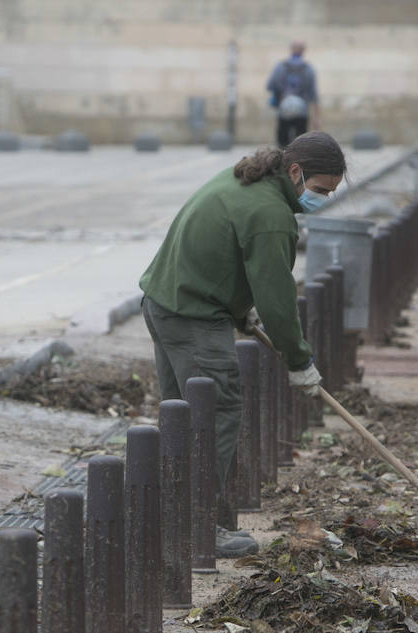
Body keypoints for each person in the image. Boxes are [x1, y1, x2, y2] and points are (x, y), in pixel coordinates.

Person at [138, 132, 344, 557]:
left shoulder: (244, 181)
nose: (322, 199)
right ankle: (197, 531)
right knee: (215, 413)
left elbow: (222, 254)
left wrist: (236, 309)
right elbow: (277, 299)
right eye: (320, 190)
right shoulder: (271, 214)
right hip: (193, 315)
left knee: (182, 420)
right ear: (295, 172)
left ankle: (173, 524)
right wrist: (299, 360)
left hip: (165, 303)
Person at [266, 41, 321, 148]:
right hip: (302, 110)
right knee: (301, 141)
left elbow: (270, 85)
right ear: (303, 51)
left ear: (291, 50)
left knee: (282, 140)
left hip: (284, 108)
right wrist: (316, 116)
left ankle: (282, 160)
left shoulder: (280, 67)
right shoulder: (308, 69)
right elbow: (313, 94)